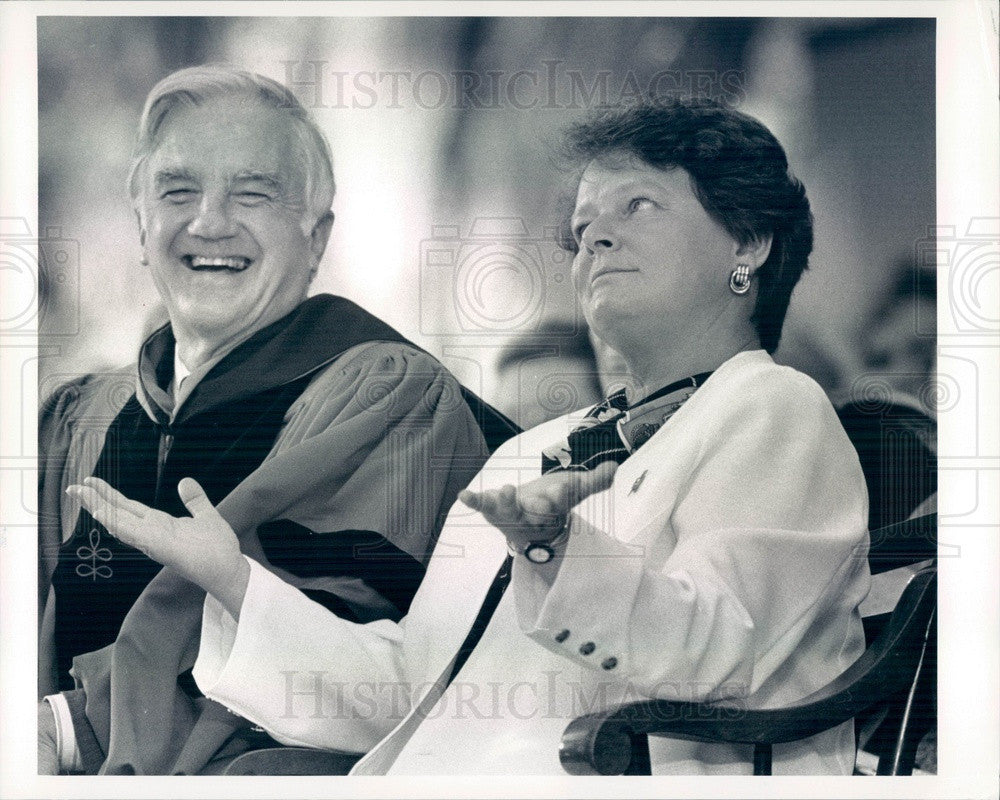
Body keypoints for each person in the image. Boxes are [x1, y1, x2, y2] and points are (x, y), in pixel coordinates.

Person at [73, 98, 871, 775]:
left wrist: (557, 550)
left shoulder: (773, 406)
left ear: (748, 243)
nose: (594, 239)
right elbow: (411, 688)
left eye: (638, 207)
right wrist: (236, 582)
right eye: (583, 225)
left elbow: (720, 651)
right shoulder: (536, 449)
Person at [37, 64, 512, 775]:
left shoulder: (387, 395)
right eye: (178, 191)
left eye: (252, 195)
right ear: (141, 224)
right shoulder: (81, 418)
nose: (209, 222)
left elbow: (349, 684)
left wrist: (67, 727)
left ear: (315, 237)